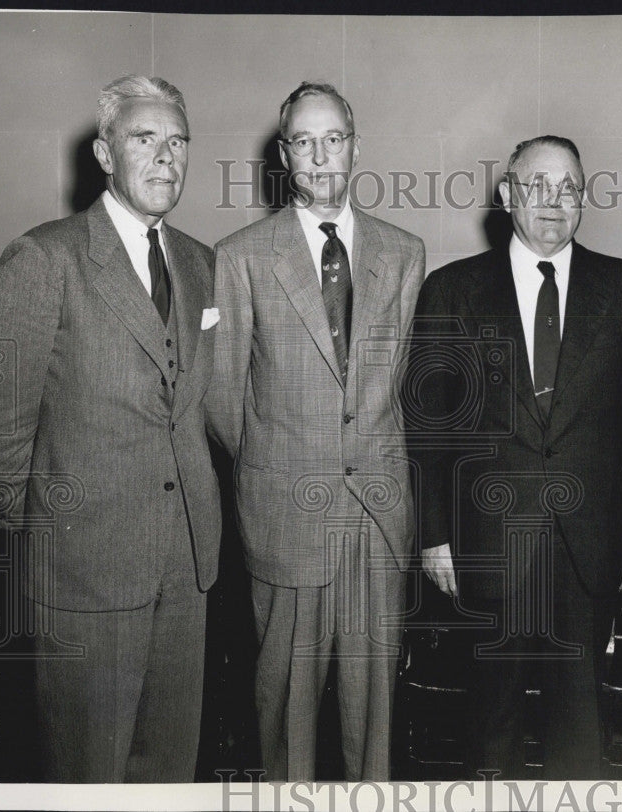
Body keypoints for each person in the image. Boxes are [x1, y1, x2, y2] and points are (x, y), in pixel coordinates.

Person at [0, 75, 220, 782]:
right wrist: (50, 530)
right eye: (145, 139)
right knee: (87, 777)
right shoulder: (47, 258)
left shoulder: (201, 264)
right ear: (105, 154)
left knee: (169, 774)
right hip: (84, 573)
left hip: (187, 567)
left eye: (178, 142)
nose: (166, 157)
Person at [406, 136, 622, 778]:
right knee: (491, 727)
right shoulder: (451, 289)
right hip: (488, 544)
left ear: (585, 200)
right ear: (508, 195)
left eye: (568, 187)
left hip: (591, 546)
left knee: (584, 726)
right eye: (537, 185)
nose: (553, 201)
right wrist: (433, 536)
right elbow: (427, 428)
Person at [206, 82, 425, 781]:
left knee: (377, 716)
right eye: (304, 141)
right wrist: (282, 463)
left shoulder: (405, 252)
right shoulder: (241, 255)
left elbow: (406, 389)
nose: (321, 154)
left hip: (378, 518)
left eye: (334, 139)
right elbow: (221, 398)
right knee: (284, 710)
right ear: (284, 154)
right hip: (285, 514)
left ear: (356, 146)